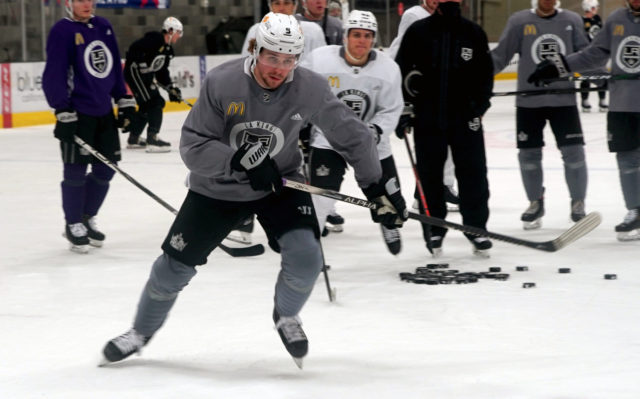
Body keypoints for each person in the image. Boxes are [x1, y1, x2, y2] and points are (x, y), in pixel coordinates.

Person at [100, 13, 407, 368]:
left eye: (288, 59)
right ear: (255, 50)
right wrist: (237, 161)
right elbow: (193, 146)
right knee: (172, 269)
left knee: (307, 257)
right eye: (271, 57)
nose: (279, 68)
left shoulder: (309, 87)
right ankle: (139, 332)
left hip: (280, 182)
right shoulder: (222, 81)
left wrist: (376, 186)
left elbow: (352, 136)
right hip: (217, 188)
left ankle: (287, 316)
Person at [527, 0, 640, 241]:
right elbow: (595, 54)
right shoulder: (617, 19)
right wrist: (559, 66)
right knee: (627, 160)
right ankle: (636, 210)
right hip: (623, 103)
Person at [395, 0, 494, 257]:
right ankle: (435, 229)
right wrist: (404, 110)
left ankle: (476, 228)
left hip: (465, 120)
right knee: (430, 176)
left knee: (473, 175)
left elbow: (486, 75)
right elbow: (402, 70)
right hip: (428, 119)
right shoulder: (418, 31)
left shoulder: (473, 33)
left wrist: (478, 108)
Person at [300, 10, 404, 254]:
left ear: (374, 39)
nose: (361, 40)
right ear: (345, 36)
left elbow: (392, 108)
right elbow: (300, 90)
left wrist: (377, 129)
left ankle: (387, 224)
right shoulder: (319, 60)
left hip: (372, 142)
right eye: (356, 34)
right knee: (320, 197)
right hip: (329, 139)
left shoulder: (388, 68)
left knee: (387, 196)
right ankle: (308, 249)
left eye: (367, 36)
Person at [42, 0, 135, 254]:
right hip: (77, 113)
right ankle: (73, 223)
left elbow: (114, 66)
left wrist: (124, 101)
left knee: (107, 168)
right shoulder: (62, 31)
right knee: (75, 170)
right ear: (69, 3)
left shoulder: (103, 26)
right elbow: (55, 73)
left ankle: (86, 215)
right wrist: (62, 109)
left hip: (104, 112)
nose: (87, 4)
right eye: (81, 0)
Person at [235, 0, 327, 245]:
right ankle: (245, 214)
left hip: (298, 108)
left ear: (295, 5)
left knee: (297, 163)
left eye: (287, 2)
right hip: (261, 107)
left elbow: (320, 70)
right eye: (277, 2)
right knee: (255, 158)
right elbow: (244, 68)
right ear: (269, 4)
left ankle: (303, 215)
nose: (282, 7)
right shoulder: (257, 31)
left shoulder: (312, 31)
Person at [491, 0, 590, 230]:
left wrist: (604, 73)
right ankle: (535, 202)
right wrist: (477, 76)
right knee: (528, 156)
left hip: (563, 99)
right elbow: (500, 56)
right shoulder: (519, 21)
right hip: (529, 101)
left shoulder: (572, 20)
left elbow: (586, 55)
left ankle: (578, 202)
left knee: (574, 154)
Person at [388, 0, 460, 212]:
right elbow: (403, 51)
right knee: (431, 146)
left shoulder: (445, 16)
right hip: (422, 92)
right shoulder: (414, 15)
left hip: (441, 93)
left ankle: (442, 188)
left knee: (446, 144)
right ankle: (425, 194)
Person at [123, 17, 183, 153]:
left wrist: (171, 88)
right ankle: (152, 139)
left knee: (147, 105)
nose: (179, 36)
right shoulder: (155, 39)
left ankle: (134, 138)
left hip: (145, 75)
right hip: (135, 72)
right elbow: (134, 48)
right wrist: (141, 63)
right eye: (178, 32)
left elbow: (162, 72)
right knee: (155, 102)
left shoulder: (168, 51)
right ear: (170, 30)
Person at [579, 0, 608, 113]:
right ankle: (584, 100)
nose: (596, 9)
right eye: (595, 7)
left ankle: (602, 99)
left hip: (598, 52)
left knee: (602, 75)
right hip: (587, 52)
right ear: (590, 8)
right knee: (585, 76)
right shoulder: (581, 21)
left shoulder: (597, 19)